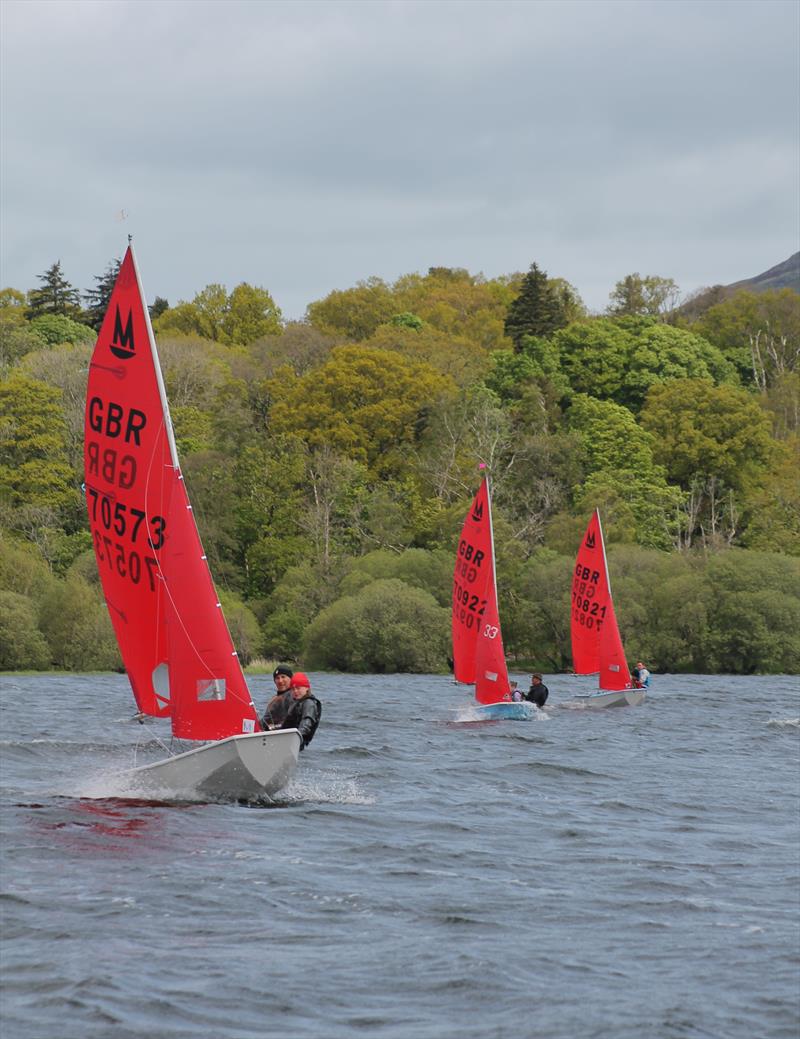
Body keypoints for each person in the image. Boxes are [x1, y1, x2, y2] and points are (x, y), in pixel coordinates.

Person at [279, 672, 322, 750]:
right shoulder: (297, 702)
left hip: (293, 743)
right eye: (293, 689)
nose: (295, 691)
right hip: (285, 740)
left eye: (298, 688)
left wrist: (295, 738)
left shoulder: (309, 704)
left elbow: (306, 725)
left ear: (307, 688)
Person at [261, 665, 293, 730]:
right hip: (267, 732)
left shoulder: (292, 696)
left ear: (291, 679)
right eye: (277, 678)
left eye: (283, 677)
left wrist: (271, 727)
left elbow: (290, 721)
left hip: (282, 733)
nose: (280, 681)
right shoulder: (275, 698)